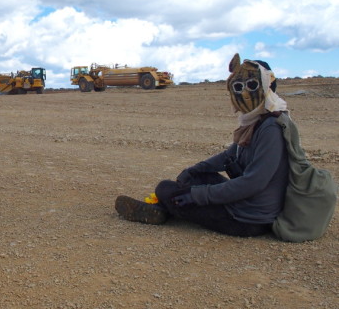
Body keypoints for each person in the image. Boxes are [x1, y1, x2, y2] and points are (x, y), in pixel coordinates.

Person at [115, 53, 291, 237]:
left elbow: (253, 183)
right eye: (238, 87)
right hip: (246, 204)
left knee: (165, 189)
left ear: (266, 87)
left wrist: (197, 195)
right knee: (195, 178)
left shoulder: (271, 128)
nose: (245, 93)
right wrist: (194, 170)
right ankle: (164, 208)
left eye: (252, 86)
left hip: (248, 219)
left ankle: (161, 210)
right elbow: (229, 156)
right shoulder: (257, 121)